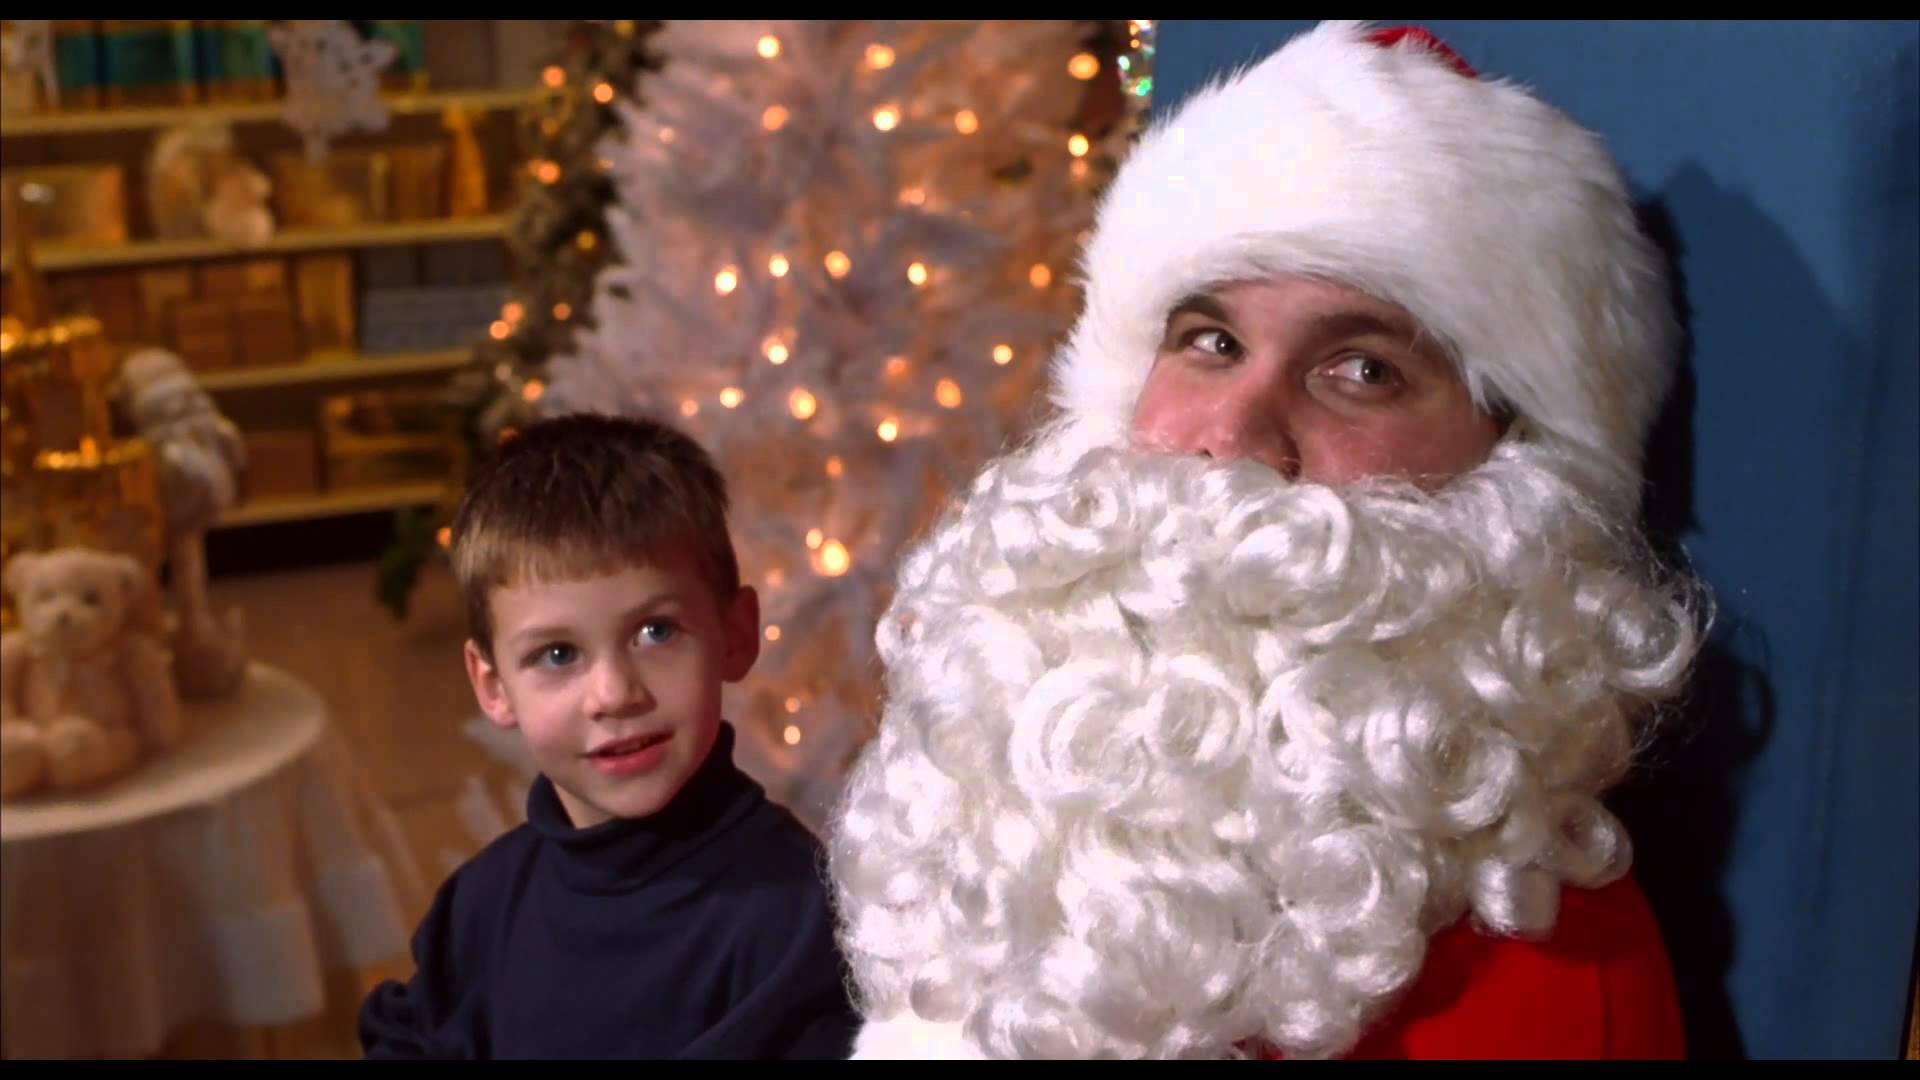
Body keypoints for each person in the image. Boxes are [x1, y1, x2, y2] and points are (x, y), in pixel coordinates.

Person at [827, 20, 1711, 1060]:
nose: (1234, 439)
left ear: (1516, 476)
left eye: (1363, 371)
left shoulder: (1547, 987)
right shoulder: (999, 824)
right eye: (1211, 342)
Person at [358, 412, 861, 1059]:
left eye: (656, 632)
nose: (615, 693)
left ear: (735, 635)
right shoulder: (483, 903)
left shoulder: (792, 918)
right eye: (558, 654)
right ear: (493, 685)